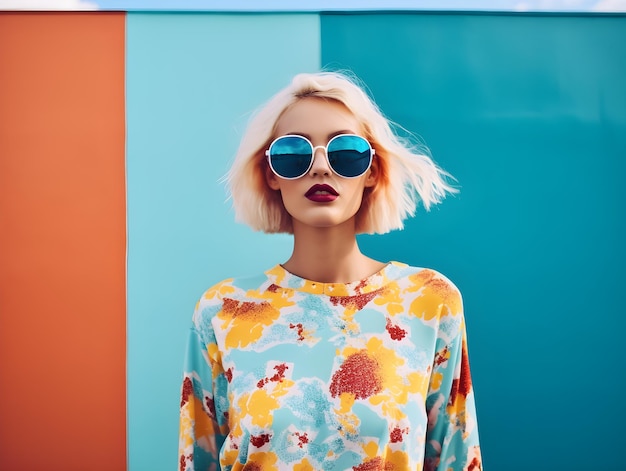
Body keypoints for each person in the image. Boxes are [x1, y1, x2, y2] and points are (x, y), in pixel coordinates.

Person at [178, 71, 482, 471]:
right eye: (293, 153)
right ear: (270, 173)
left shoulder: (429, 300)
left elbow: (458, 460)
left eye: (345, 152)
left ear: (372, 169)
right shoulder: (222, 310)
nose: (320, 167)